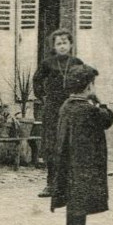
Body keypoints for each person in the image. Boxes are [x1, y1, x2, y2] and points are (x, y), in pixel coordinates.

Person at [50, 64, 113, 225]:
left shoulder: (67, 107)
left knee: (73, 197)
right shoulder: (88, 110)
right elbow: (107, 120)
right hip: (85, 162)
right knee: (82, 198)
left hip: (68, 161)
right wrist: (100, 102)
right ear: (88, 86)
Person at [32, 28, 84, 198]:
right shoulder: (47, 63)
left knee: (70, 145)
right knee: (52, 145)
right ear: (54, 46)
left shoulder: (77, 62)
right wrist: (43, 97)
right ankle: (51, 184)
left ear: (70, 44)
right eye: (59, 43)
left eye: (65, 43)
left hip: (71, 108)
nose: (62, 46)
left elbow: (85, 82)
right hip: (53, 109)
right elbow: (37, 80)